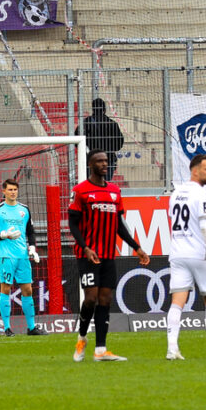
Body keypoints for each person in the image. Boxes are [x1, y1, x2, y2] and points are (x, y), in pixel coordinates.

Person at [69, 150, 151, 362]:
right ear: (91, 164)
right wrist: (85, 247)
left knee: (105, 299)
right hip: (88, 255)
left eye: (106, 161)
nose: (105, 164)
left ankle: (100, 350)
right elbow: (73, 224)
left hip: (107, 254)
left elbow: (118, 226)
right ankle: (81, 338)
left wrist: (137, 247)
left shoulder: (115, 192)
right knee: (90, 299)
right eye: (100, 161)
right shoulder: (80, 191)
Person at [165, 153, 206, 360]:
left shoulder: (175, 193)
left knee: (177, 300)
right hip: (199, 253)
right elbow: (204, 225)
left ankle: (172, 349)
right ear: (195, 170)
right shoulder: (202, 194)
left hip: (177, 253)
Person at [0, 179, 45, 337]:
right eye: (10, 189)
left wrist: (32, 247)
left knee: (28, 289)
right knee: (6, 288)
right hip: (6, 256)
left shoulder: (24, 209)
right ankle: (7, 328)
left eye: (15, 189)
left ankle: (31, 328)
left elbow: (30, 231)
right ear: (3, 191)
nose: (13, 192)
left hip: (23, 256)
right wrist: (3, 235)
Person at [77, 97, 126, 179]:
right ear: (104, 109)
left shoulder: (86, 123)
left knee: (92, 184)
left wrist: (89, 148)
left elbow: (77, 140)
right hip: (108, 159)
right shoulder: (112, 123)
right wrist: (109, 149)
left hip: (92, 159)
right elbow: (119, 143)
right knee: (105, 184)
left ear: (93, 109)